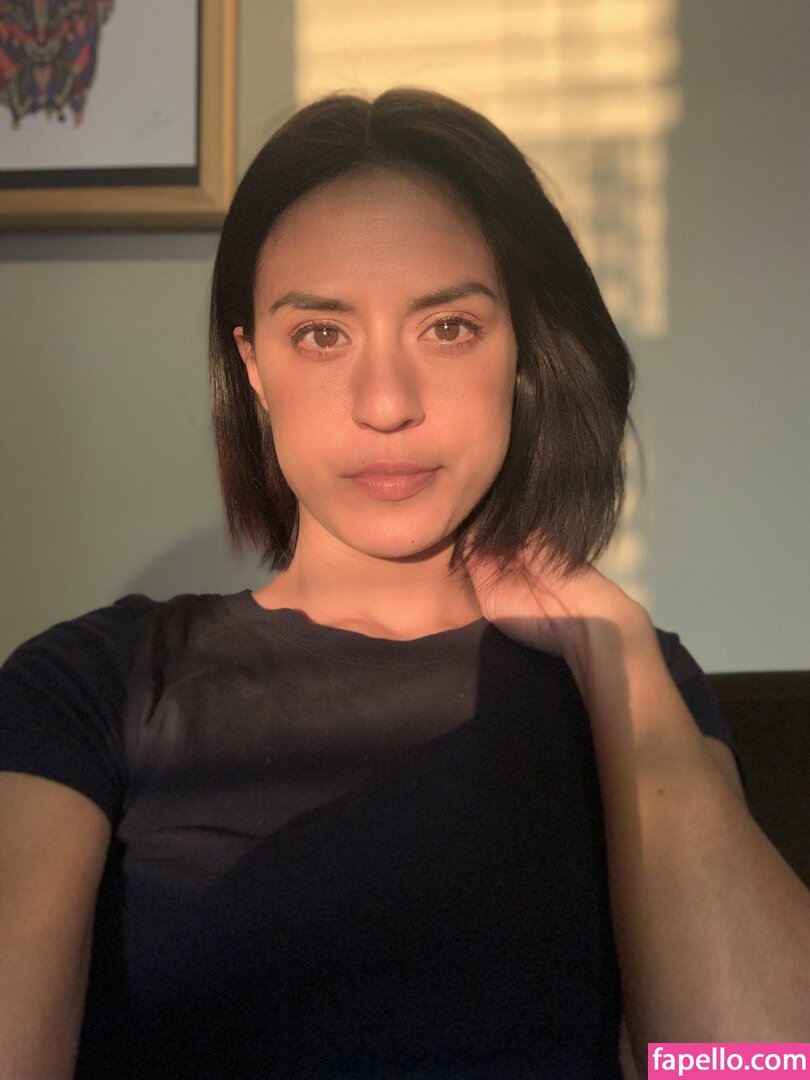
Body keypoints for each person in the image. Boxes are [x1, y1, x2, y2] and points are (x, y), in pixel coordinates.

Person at [1, 88, 808, 1080]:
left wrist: (617, 648)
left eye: (450, 328)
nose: (387, 403)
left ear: (520, 351)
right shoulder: (86, 685)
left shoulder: (635, 680)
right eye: (321, 335)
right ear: (252, 366)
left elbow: (752, 1066)